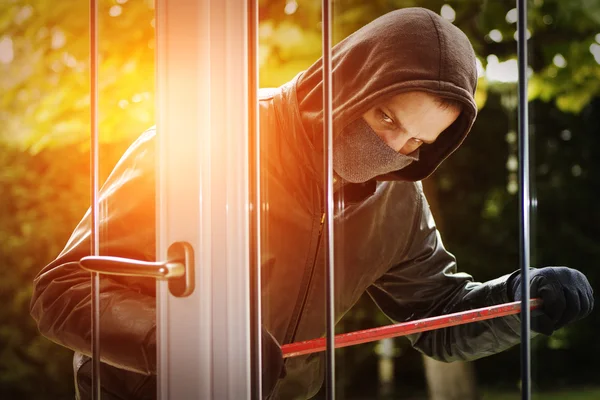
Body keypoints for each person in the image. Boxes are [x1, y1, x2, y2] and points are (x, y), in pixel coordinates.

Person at [30, 7, 593, 400]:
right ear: (348, 82)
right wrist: (181, 345)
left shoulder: (399, 193)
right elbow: (64, 291)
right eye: (386, 118)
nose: (393, 149)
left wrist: (519, 300)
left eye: (417, 142)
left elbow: (435, 315)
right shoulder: (204, 135)